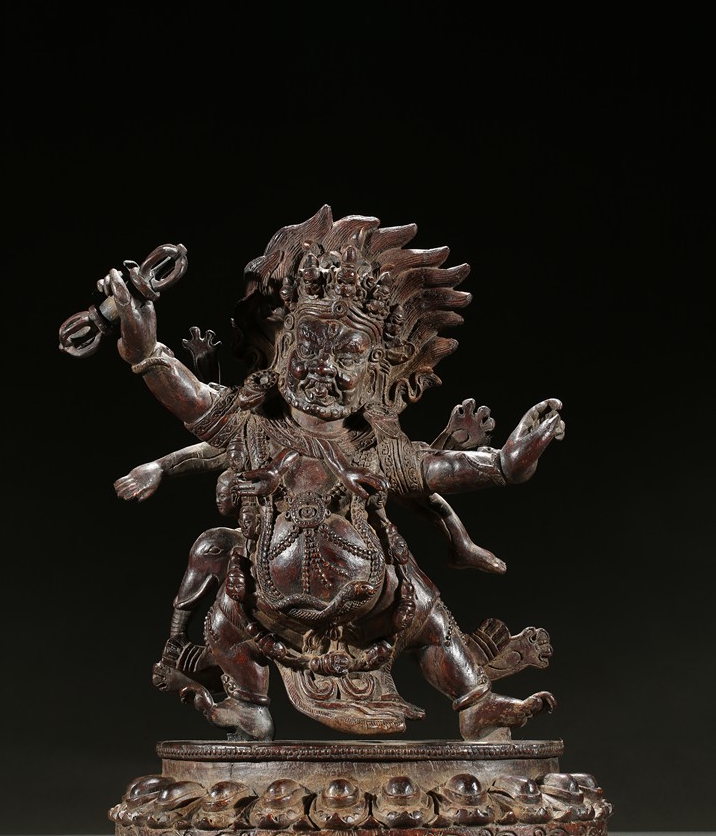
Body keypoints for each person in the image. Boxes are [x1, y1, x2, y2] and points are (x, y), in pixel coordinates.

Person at [98, 205, 565, 741]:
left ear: (375, 375)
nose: (323, 368)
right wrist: (143, 348)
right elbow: (187, 396)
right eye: (309, 347)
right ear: (279, 351)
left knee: (428, 618)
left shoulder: (376, 449)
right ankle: (248, 705)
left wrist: (506, 463)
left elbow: (439, 469)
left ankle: (475, 703)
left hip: (372, 598)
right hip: (266, 600)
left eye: (348, 356)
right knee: (228, 623)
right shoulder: (251, 427)